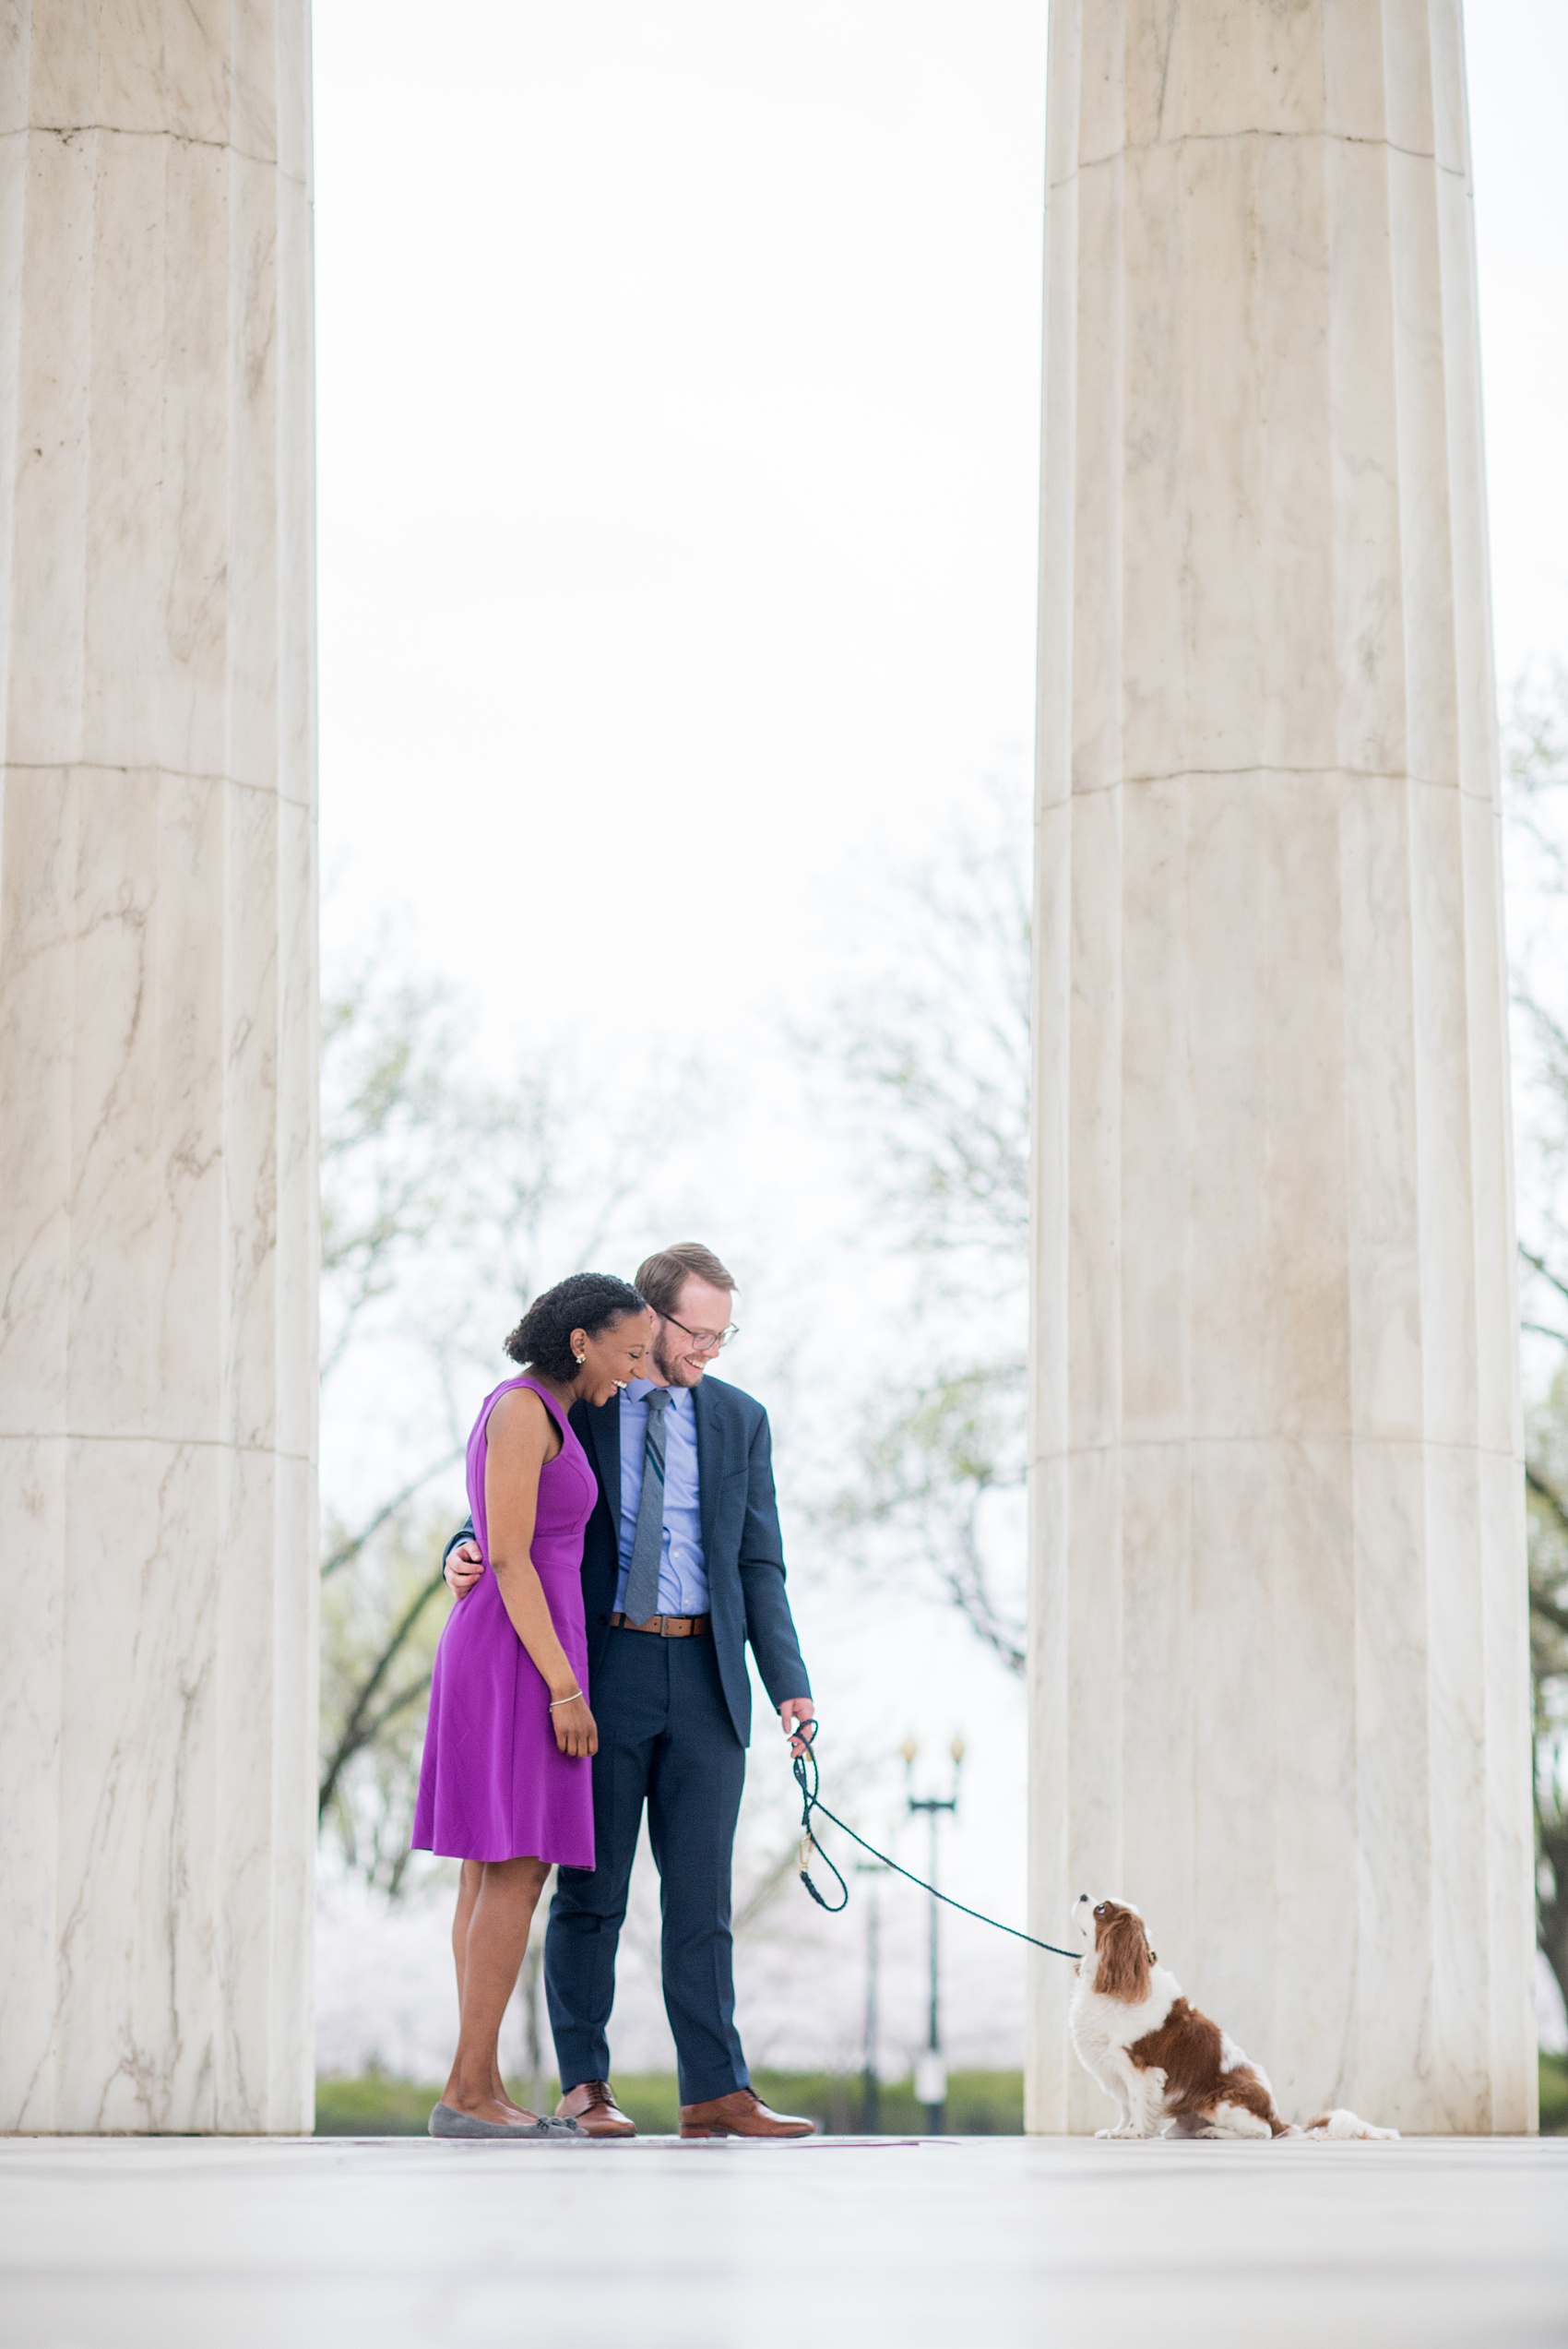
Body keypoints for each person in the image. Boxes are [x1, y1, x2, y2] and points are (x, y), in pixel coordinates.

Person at [443, 1241, 817, 2139]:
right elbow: (517, 1492)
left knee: (700, 1901)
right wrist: (462, 1544)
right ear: (648, 1322)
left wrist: (790, 1685)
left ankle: (716, 2090)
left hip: (706, 1676)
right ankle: (584, 2085)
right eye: (697, 1332)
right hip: (600, 1670)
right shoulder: (587, 1400)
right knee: (591, 1891)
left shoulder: (740, 1418)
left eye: (724, 1336)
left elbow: (758, 1560)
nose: (709, 1352)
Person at [414, 1270, 652, 2139]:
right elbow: (509, 1558)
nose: (632, 1370)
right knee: (512, 1865)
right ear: (581, 1340)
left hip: (524, 1647)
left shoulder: (549, 1411)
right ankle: (469, 2089)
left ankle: (474, 2085)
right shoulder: (522, 1409)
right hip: (520, 1657)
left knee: (493, 1868)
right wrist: (566, 1690)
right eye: (628, 1353)